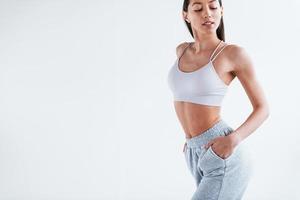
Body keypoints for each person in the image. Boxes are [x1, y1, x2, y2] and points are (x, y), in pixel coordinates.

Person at [167, 0, 270, 199]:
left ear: (221, 12)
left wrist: (233, 140)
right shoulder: (182, 51)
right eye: (198, 8)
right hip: (194, 151)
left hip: (222, 151)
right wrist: (193, 143)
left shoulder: (232, 54)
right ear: (185, 15)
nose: (207, 13)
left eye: (213, 7)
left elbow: (263, 108)